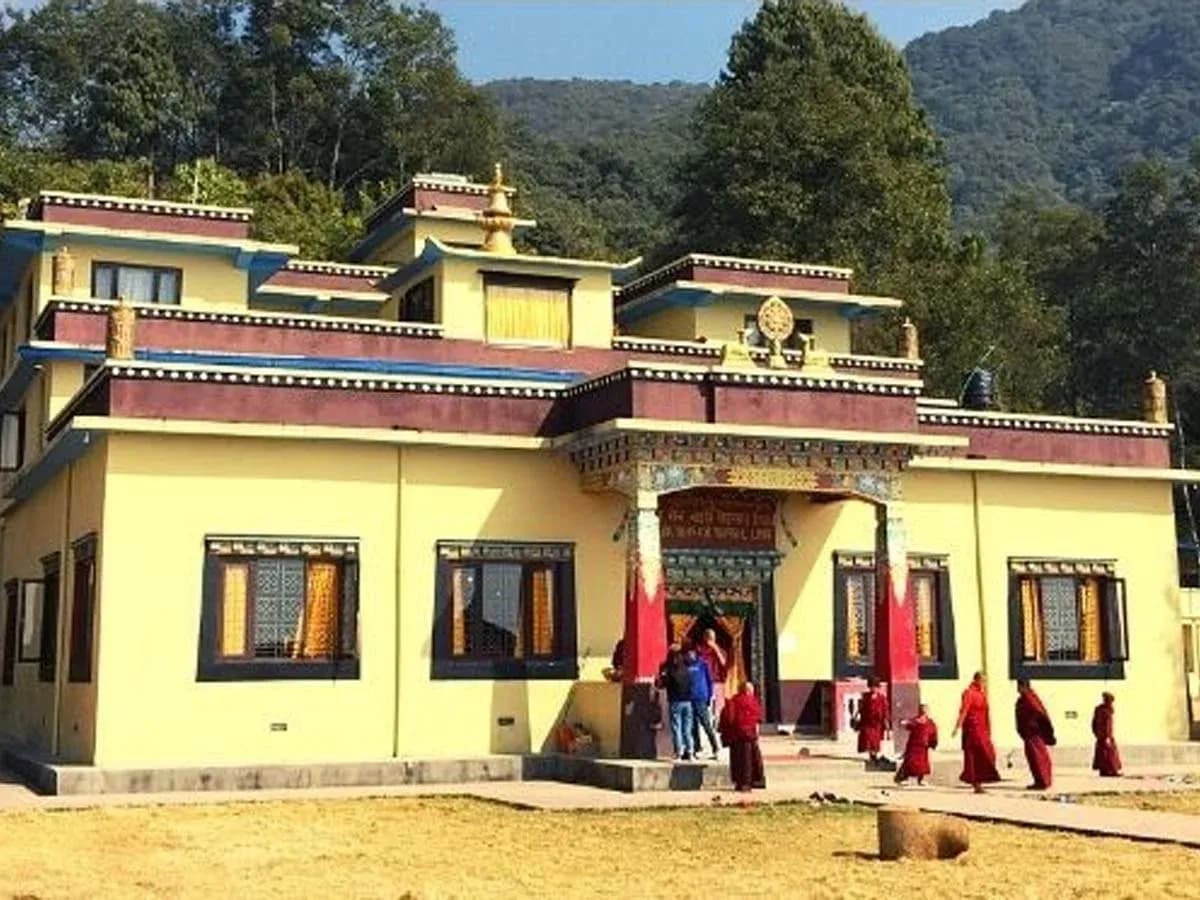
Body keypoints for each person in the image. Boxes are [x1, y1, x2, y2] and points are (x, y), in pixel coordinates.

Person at [952, 671, 1001, 793]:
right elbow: (964, 710)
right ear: (976, 680)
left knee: (989, 753)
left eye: (985, 681)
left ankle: (981, 780)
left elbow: (986, 714)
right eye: (982, 680)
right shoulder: (968, 693)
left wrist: (989, 729)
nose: (984, 683)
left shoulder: (982, 694)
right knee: (975, 755)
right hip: (972, 729)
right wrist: (957, 726)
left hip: (982, 729)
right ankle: (976, 784)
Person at [719, 680, 766, 792]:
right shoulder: (752, 701)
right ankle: (750, 783)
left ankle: (740, 783)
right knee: (748, 760)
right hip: (749, 735)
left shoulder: (733, 701)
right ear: (749, 691)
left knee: (737, 760)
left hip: (736, 736)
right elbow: (758, 719)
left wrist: (726, 733)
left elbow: (727, 718)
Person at [1015, 679, 1056, 790]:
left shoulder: (1029, 698)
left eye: (1019, 686)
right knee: (1035, 757)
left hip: (1033, 732)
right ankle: (1041, 780)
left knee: (1037, 757)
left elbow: (1040, 713)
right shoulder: (1027, 697)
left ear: (1024, 686)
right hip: (1030, 732)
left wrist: (1042, 728)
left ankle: (1042, 781)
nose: (1017, 689)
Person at [657, 645, 694, 761]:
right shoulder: (687, 668)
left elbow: (662, 684)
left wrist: (660, 678)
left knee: (676, 727)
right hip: (688, 701)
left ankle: (679, 752)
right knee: (687, 728)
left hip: (676, 701)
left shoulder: (670, 669)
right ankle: (690, 752)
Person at [685, 648, 720, 760]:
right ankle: (697, 748)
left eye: (692, 653)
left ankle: (715, 748)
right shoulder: (685, 665)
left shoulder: (702, 664)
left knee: (706, 724)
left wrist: (710, 696)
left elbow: (709, 681)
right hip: (689, 699)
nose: (690, 655)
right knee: (692, 726)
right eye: (688, 653)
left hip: (701, 699)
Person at [894, 704, 938, 786]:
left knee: (922, 764)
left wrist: (933, 743)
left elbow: (933, 733)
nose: (924, 712)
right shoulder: (915, 721)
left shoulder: (930, 723)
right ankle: (902, 778)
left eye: (926, 710)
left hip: (923, 746)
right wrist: (902, 722)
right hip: (913, 746)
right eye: (922, 710)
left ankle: (920, 780)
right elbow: (906, 725)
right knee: (909, 763)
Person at [697, 628, 729, 721]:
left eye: (711, 637)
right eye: (708, 637)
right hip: (704, 682)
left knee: (718, 708)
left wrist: (716, 649)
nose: (709, 639)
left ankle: (717, 724)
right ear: (704, 638)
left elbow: (724, 663)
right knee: (705, 707)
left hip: (717, 681)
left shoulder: (719, 650)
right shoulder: (699, 650)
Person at [855, 678, 889, 766]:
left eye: (875, 687)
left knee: (875, 740)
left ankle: (874, 754)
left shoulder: (882, 698)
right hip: (867, 721)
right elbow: (861, 708)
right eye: (872, 687)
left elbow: (885, 710)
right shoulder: (866, 696)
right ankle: (871, 754)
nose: (873, 689)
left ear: (878, 688)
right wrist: (858, 718)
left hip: (877, 722)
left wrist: (886, 721)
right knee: (867, 738)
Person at [1092, 692, 1123, 777]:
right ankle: (1111, 771)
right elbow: (1105, 724)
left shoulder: (1101, 709)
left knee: (1104, 754)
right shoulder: (1105, 710)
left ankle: (1105, 771)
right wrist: (1106, 736)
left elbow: (1094, 723)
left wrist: (1097, 733)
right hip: (1105, 735)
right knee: (1109, 754)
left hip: (1103, 735)